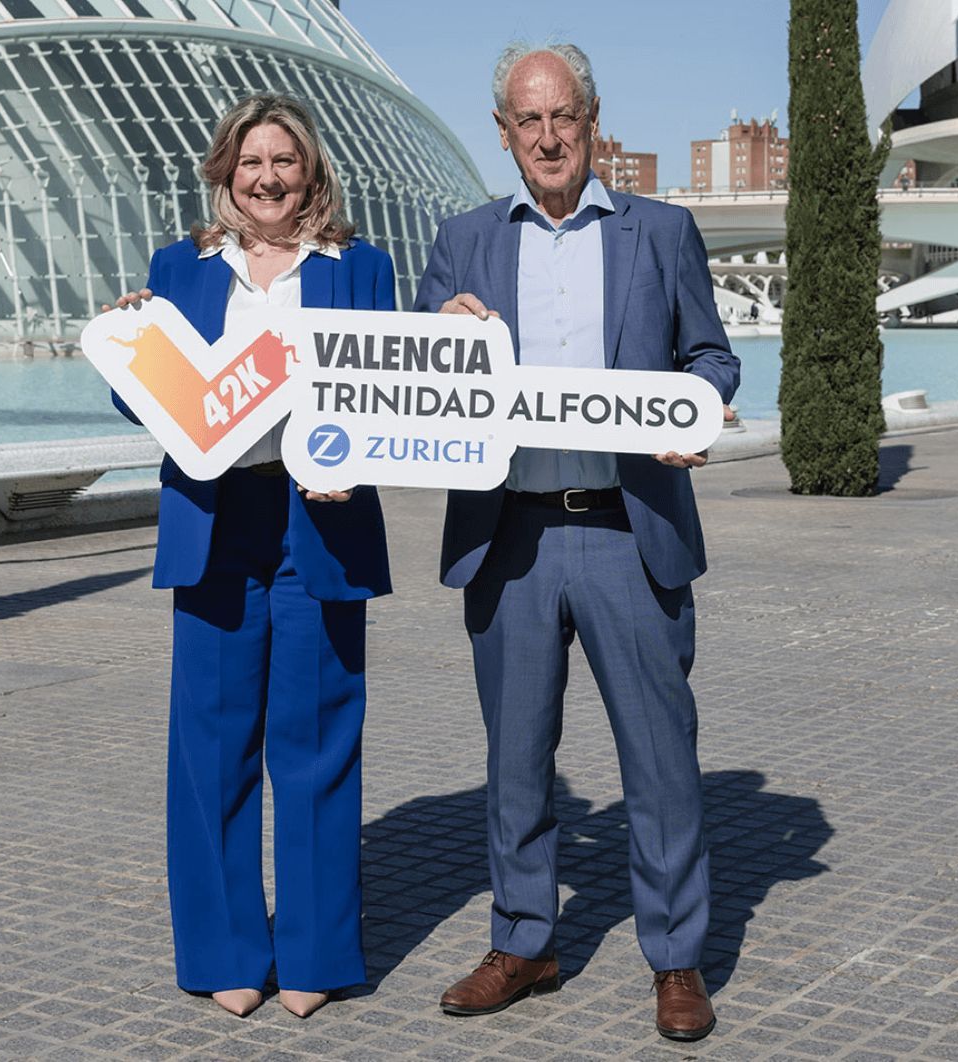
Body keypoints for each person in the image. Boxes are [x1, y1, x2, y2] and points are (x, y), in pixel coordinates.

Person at [413, 42, 740, 1042]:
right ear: (503, 133)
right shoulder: (461, 240)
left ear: (591, 120)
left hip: (624, 531)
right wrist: (438, 330)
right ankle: (523, 939)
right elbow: (418, 364)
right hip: (507, 536)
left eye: (563, 117)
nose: (547, 138)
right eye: (527, 121)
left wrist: (698, 412)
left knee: (659, 759)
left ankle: (675, 958)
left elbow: (709, 355)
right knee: (514, 761)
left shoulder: (659, 232)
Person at [105, 94, 394, 1020]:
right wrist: (127, 349)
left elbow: (388, 391)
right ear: (225, 170)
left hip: (322, 517)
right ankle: (226, 947)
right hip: (216, 516)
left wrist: (361, 456)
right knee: (213, 746)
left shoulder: (361, 268)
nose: (268, 178)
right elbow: (143, 406)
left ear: (312, 169)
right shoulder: (177, 269)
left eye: (285, 160)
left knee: (316, 745)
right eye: (250, 161)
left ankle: (313, 953)